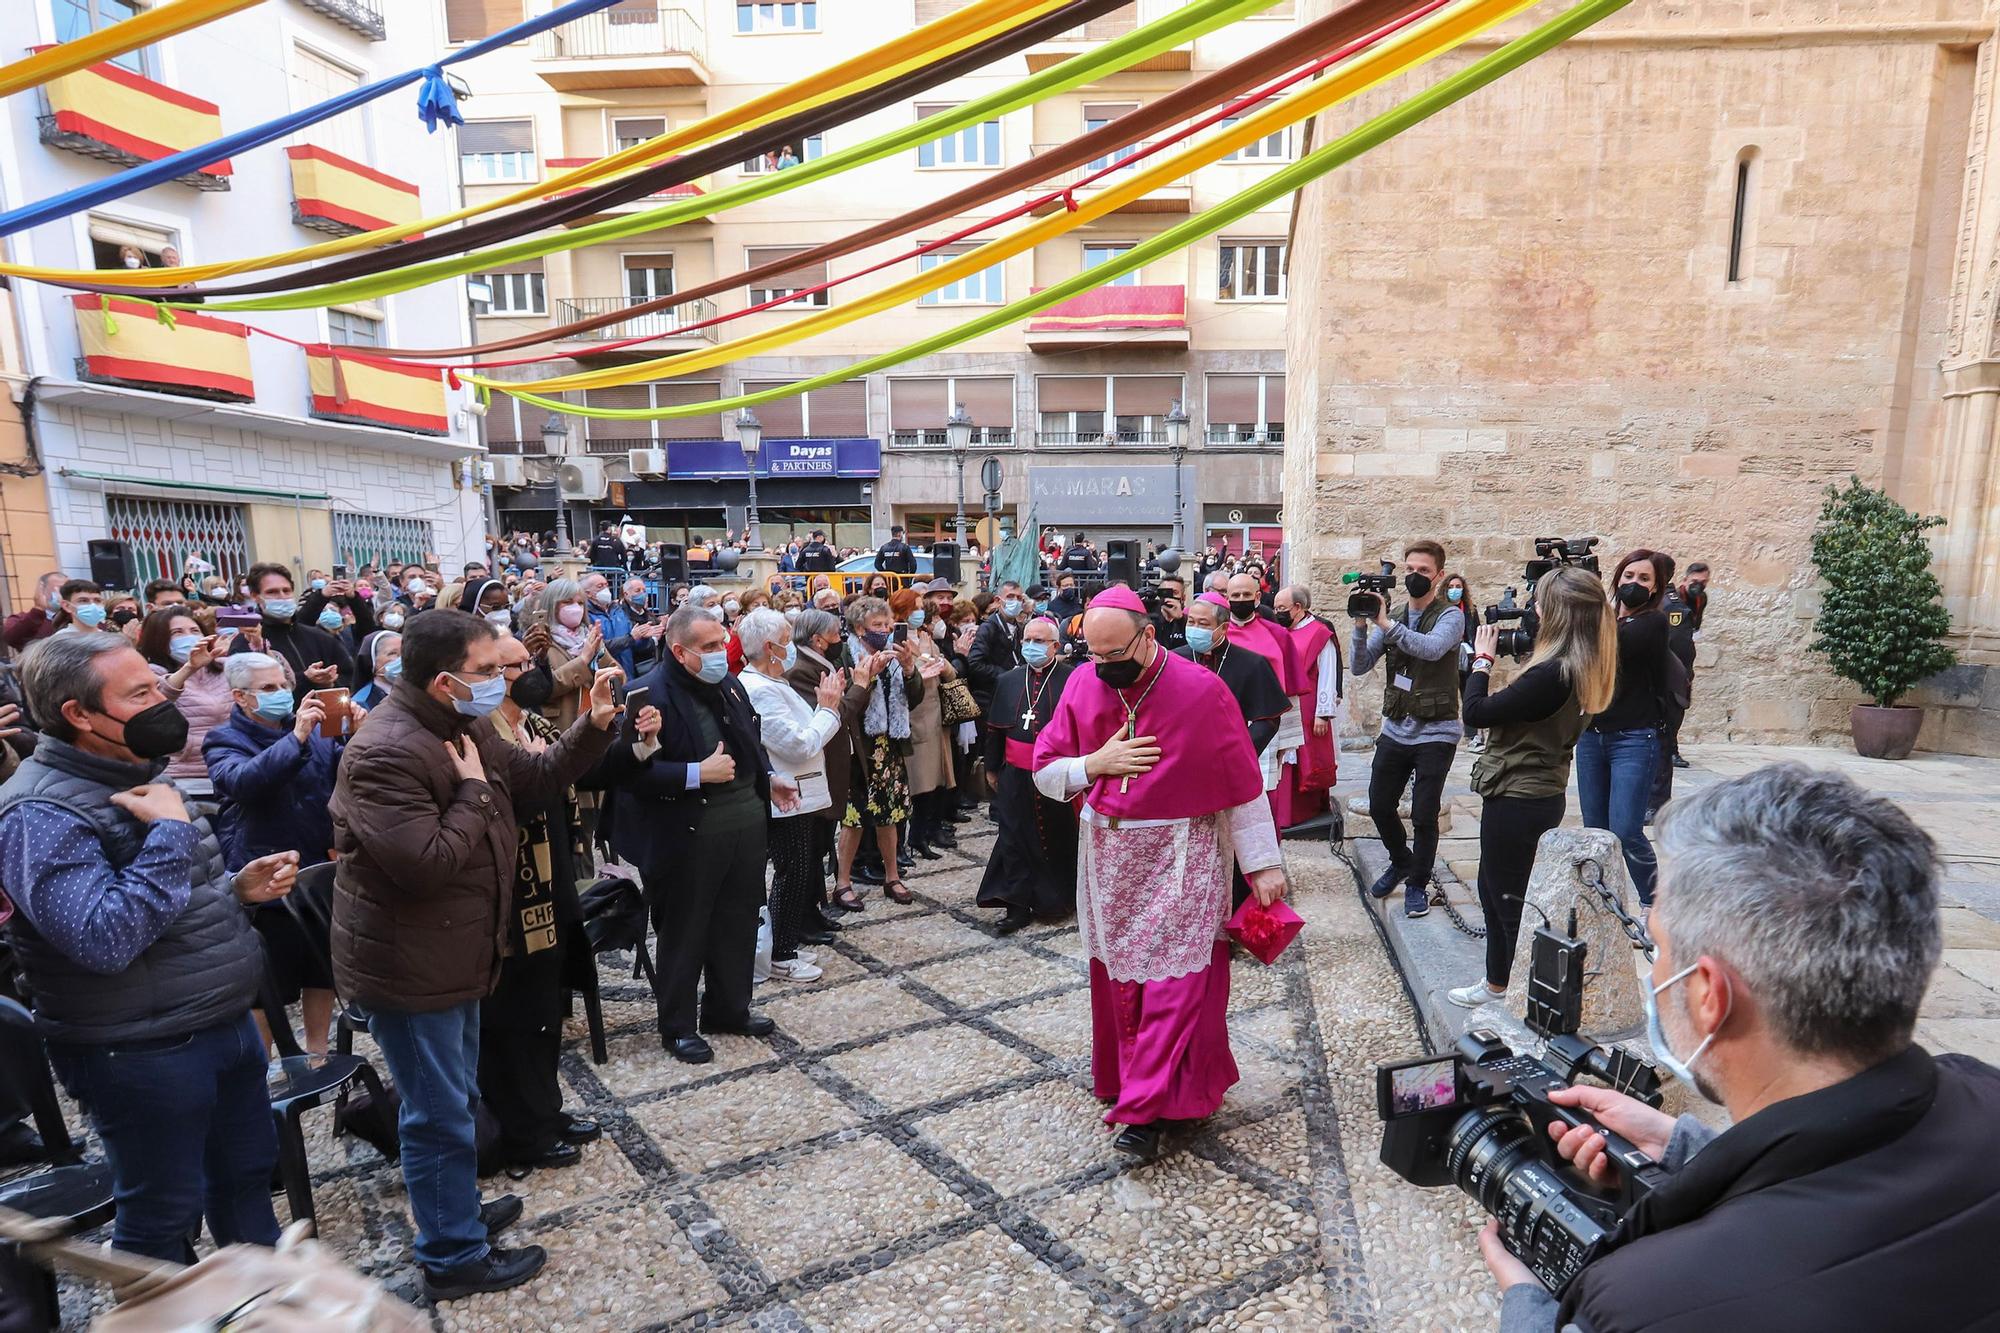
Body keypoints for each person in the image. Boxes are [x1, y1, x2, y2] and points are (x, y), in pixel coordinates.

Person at [1485, 764, 2000, 1332]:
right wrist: (1687, 1152)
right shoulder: (1982, 1089)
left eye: (1655, 943)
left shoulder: (1644, 1302)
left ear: (1708, 994)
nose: (1654, 967)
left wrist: (1528, 1304)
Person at [331, 610, 619, 1301]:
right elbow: (425, 864)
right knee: (436, 1113)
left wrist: (593, 727)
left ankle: (455, 1208)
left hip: (456, 953)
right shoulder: (387, 750)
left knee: (454, 1099)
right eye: (489, 671)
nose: (504, 682)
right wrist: (472, 790)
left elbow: (539, 776)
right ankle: (453, 1254)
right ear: (442, 680)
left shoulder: (462, 726)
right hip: (412, 966)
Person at [0, 632, 298, 1263]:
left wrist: (231, 889)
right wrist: (167, 832)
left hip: (220, 1020)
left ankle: (267, 1305)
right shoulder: (38, 810)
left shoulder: (141, 771)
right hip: (140, 1048)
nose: (164, 701)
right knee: (163, 1214)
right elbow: (101, 938)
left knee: (246, 1181)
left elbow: (161, 900)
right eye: (140, 694)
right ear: (79, 714)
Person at [1031, 587, 1289, 1159]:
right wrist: (1093, 764)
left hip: (1184, 855)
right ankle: (1134, 1086)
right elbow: (1045, 772)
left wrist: (1263, 864)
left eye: (1113, 654)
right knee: (1123, 982)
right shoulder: (1080, 683)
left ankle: (1147, 1113)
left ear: (1148, 636)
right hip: (1109, 861)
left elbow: (1242, 786)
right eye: (1091, 655)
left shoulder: (1202, 690)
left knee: (1177, 986)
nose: (1102, 667)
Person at [602, 606, 798, 1063]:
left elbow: (750, 740)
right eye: (708, 648)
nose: (719, 654)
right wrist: (694, 773)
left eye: (721, 644)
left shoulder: (727, 683)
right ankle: (678, 1026)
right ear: (679, 650)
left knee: (738, 921)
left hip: (744, 826)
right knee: (685, 932)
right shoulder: (647, 693)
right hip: (686, 834)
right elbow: (628, 776)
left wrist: (768, 778)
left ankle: (728, 1008)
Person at [1446, 568, 1615, 1008]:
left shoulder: (1552, 674)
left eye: (1538, 603)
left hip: (1520, 795)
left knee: (1507, 899)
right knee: (1495, 889)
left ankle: (1516, 990)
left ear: (1555, 613)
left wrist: (1482, 661)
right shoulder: (1579, 663)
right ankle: (1500, 983)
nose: (1531, 611)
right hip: (1534, 792)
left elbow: (1478, 713)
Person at [480, 632, 616, 1170]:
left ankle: (544, 1108)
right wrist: (537, 771)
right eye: (514, 665)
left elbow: (576, 770)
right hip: (509, 894)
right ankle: (518, 1128)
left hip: (551, 879)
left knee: (543, 1008)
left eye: (528, 661)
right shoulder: (479, 733)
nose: (530, 671)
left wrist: (611, 730)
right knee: (510, 1017)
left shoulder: (531, 723)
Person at [203, 652, 348, 1056]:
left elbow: (341, 777)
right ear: (240, 697)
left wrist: (357, 736)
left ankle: (318, 1049)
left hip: (317, 860)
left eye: (284, 685)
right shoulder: (223, 739)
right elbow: (243, 782)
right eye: (268, 689)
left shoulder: (318, 732)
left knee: (321, 965)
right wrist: (296, 738)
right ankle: (263, 1061)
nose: (282, 694)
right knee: (270, 978)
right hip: (264, 867)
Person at [1351, 541, 1464, 919]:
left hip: (1438, 730)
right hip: (1397, 727)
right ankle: (1401, 860)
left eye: (1423, 571)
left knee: (1423, 812)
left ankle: (1417, 883)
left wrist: (1385, 624)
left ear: (1439, 576)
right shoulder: (1396, 614)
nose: (1415, 577)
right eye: (1410, 569)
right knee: (1380, 803)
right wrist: (1361, 626)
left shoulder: (1451, 616)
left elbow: (1431, 649)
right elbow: (1361, 665)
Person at [739, 608, 845, 980]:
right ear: (770, 647)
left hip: (799, 793)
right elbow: (800, 745)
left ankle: (785, 947)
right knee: (792, 871)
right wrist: (829, 710)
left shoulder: (776, 681)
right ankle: (781, 954)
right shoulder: (758, 690)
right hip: (786, 795)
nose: (791, 647)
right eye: (786, 640)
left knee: (799, 869)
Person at [1578, 548, 1675, 907]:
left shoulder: (1653, 623)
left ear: (1655, 588)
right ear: (1617, 578)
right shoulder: (1604, 621)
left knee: (1626, 830)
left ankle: (1654, 907)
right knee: (1596, 833)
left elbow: (1613, 648)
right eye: (1629, 576)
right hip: (1591, 738)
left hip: (1633, 739)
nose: (1634, 583)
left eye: (1644, 579)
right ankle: (1603, 905)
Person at [977, 616, 1077, 934]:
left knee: (1055, 837)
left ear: (1055, 646)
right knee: (1013, 838)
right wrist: (992, 768)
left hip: (1056, 773)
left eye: (1039, 641)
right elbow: (994, 729)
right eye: (1027, 640)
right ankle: (1016, 906)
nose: (1031, 646)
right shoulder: (1008, 679)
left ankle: (1055, 900)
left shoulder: (1071, 679)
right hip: (1015, 775)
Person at [833, 597, 924, 906]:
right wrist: (869, 675)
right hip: (858, 748)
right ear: (860, 629)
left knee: (891, 815)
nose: (885, 630)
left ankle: (892, 876)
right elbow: (847, 704)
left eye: (887, 625)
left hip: (889, 747)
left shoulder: (895, 655)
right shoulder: (847, 656)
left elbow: (914, 698)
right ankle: (842, 882)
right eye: (877, 625)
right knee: (853, 818)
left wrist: (910, 668)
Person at [788, 607, 870, 927]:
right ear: (818, 640)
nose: (841, 640)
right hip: (817, 767)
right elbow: (832, 718)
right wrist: (860, 686)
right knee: (812, 845)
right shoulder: (801, 670)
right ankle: (805, 915)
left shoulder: (824, 662)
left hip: (838, 763)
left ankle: (814, 909)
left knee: (821, 842)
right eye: (836, 634)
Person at [1222, 572, 1307, 824]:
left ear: (1257, 597)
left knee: (1263, 792)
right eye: (1235, 595)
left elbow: (1289, 690)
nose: (1240, 599)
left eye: (1246, 595)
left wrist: (1288, 741)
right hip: (1224, 722)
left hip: (1265, 723)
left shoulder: (1277, 635)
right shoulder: (1217, 633)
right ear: (1226, 598)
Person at [890, 588, 956, 860]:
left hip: (936, 713)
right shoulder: (897, 639)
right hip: (914, 715)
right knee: (917, 783)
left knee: (936, 780)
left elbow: (948, 669)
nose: (920, 612)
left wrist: (941, 665)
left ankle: (926, 833)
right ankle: (907, 841)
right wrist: (919, 664)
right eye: (915, 607)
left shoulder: (927, 637)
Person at [138, 607, 231, 798]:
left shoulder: (223, 668)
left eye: (194, 631)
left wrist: (260, 647)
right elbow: (157, 704)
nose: (189, 637)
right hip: (186, 781)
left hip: (230, 773)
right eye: (177, 632)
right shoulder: (149, 673)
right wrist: (189, 668)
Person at [1177, 594, 1287, 754]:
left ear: (1223, 628)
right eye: (1191, 622)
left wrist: (1239, 750)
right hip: (1182, 753)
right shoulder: (1174, 659)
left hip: (1229, 755)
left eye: (1203, 624)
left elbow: (1268, 719)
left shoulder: (1251, 663)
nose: (1195, 628)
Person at [229, 563, 350, 698]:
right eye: (272, 592)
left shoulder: (319, 637)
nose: (282, 596)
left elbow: (349, 675)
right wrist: (305, 679)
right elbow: (250, 692)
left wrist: (330, 683)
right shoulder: (245, 642)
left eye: (286, 591)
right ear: (255, 596)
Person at [1273, 584, 1341, 822]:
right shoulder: (1281, 632)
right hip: (1283, 705)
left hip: (1309, 707)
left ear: (1298, 607)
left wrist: (1324, 713)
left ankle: (1303, 810)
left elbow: (1328, 674)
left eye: (1282, 608)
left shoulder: (1320, 633)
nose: (1277, 612)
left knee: (1307, 758)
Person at [1660, 561, 1708, 772]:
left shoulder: (1700, 599)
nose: (1699, 586)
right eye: (1695, 582)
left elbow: (1694, 630)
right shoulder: (1672, 601)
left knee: (1678, 707)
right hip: (1669, 661)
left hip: (1685, 662)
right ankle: (1670, 750)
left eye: (1704, 582)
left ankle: (1671, 747)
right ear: (1685, 579)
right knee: (1670, 706)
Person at [966, 580, 1028, 714]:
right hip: (989, 698)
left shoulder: (1020, 628)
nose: (1015, 601)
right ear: (998, 600)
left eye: (1019, 598)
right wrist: (1006, 674)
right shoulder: (988, 628)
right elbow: (975, 663)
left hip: (1013, 695)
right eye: (1010, 597)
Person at [2, 571, 65, 650]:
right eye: (60, 589)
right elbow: (11, 638)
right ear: (42, 591)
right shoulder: (22, 618)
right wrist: (38, 609)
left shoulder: (75, 618)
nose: (63, 595)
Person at [351, 629, 401, 710]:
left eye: (404, 652)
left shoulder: (413, 692)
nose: (400, 659)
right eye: (392, 653)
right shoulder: (362, 703)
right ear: (373, 661)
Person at [1150, 575, 1188, 651]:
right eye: (1165, 592)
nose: (1169, 596)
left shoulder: (1189, 622)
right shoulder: (1150, 620)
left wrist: (1181, 620)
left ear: (1183, 598)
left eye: (1174, 592)